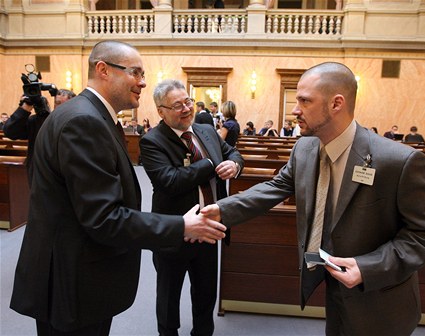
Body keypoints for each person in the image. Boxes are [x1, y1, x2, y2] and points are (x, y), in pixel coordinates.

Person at [201, 62, 425, 336]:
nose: (295, 109)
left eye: (304, 101)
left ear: (336, 104)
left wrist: (368, 267)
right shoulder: (305, 147)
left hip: (380, 301)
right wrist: (220, 209)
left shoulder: (399, 161)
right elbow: (276, 187)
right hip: (332, 287)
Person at [9, 40, 226, 336]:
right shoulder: (84, 121)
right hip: (73, 282)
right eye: (135, 73)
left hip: (71, 273)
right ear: (104, 70)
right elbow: (104, 217)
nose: (143, 82)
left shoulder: (86, 114)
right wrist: (181, 226)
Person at [139, 79, 244, 336]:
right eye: (177, 105)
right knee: (168, 296)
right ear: (161, 111)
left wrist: (234, 165)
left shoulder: (206, 130)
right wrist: (209, 163)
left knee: (206, 292)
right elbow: (170, 181)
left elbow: (232, 152)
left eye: (188, 102)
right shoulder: (152, 141)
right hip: (174, 232)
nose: (186, 109)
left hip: (209, 228)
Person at [3, 89, 76, 184]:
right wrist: (25, 107)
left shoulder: (77, 124)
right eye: (58, 103)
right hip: (39, 181)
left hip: (67, 181)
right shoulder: (39, 121)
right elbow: (10, 132)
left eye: (66, 104)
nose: (61, 107)